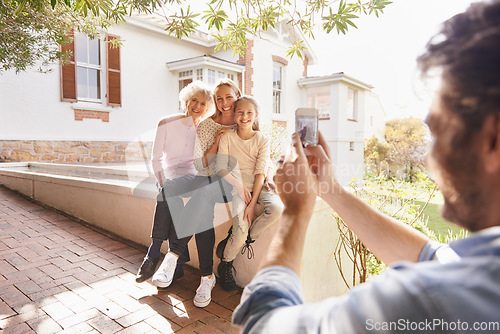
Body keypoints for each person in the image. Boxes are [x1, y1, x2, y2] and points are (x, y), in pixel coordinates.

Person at [232, 1, 500, 333]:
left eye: (438, 131)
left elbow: (263, 324)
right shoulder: (483, 269)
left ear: (492, 140)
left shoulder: (434, 298)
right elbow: (434, 255)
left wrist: (296, 211)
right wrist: (330, 189)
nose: (430, 160)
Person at [152, 78, 246, 307]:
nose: (224, 103)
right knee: (175, 189)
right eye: (219, 99)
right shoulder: (206, 126)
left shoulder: (245, 119)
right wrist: (216, 142)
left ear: (237, 96)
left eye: (229, 97)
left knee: (201, 195)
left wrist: (267, 177)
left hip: (231, 184)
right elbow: (202, 166)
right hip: (208, 178)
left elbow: (259, 150)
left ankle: (173, 257)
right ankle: (206, 278)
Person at [135, 81, 213, 285]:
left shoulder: (204, 130)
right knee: (171, 196)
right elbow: (155, 159)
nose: (197, 106)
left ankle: (152, 255)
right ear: (185, 101)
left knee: (169, 193)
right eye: (194, 100)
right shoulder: (166, 122)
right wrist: (163, 182)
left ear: (207, 108)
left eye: (203, 103)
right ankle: (177, 266)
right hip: (168, 178)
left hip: (191, 178)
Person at [215, 96, 283, 289]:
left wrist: (252, 205)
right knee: (240, 228)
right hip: (235, 187)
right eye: (240, 112)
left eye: (249, 113)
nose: (244, 117)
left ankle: (245, 238)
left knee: (277, 209)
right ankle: (226, 263)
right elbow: (221, 168)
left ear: (256, 115)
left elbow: (260, 171)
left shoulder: (262, 140)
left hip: (259, 186)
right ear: (235, 114)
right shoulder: (227, 137)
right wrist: (239, 186)